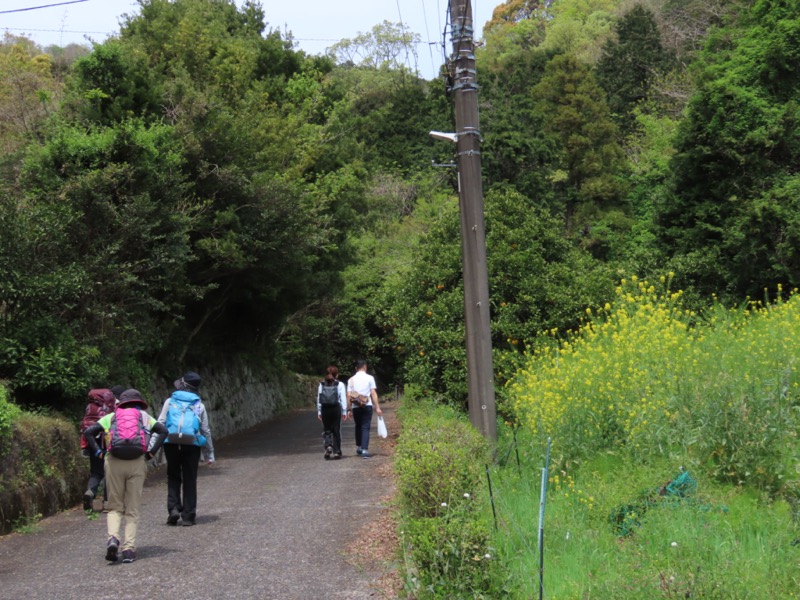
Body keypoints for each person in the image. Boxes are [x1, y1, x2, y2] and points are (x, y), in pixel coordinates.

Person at [83, 389, 167, 563]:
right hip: (137, 462)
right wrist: (151, 453)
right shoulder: (144, 417)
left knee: (114, 506)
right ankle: (128, 549)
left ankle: (113, 538)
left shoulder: (112, 417)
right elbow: (163, 431)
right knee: (132, 508)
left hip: (113, 462)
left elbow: (89, 432)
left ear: (120, 403)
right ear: (138, 402)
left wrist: (99, 452)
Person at [157, 371, 215, 526]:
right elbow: (205, 430)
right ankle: (188, 516)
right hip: (192, 444)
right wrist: (210, 453)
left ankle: (174, 509)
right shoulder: (198, 405)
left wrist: (154, 446)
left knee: (173, 475)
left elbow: (160, 422)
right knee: (190, 478)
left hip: (171, 442)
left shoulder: (170, 401)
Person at [80, 388, 116, 511]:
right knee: (109, 472)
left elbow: (85, 427)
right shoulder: (111, 407)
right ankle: (106, 501)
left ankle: (90, 492)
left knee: (96, 471)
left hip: (92, 442)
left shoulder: (89, 407)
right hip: (105, 441)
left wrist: (85, 446)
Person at [346, 359, 382, 459]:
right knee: (365, 427)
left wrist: (348, 409)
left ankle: (359, 447)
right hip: (367, 405)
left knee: (358, 426)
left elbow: (348, 395)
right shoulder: (370, 378)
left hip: (356, 406)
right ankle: (365, 450)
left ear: (356, 368)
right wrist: (377, 407)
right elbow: (373, 393)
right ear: (365, 367)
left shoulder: (351, 380)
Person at [317, 365, 347, 460]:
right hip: (335, 408)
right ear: (336, 375)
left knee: (327, 429)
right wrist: (345, 411)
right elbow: (343, 399)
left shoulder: (321, 384)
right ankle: (337, 451)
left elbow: (319, 399)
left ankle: (328, 446)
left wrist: (319, 411)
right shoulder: (340, 384)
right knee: (336, 429)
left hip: (325, 408)